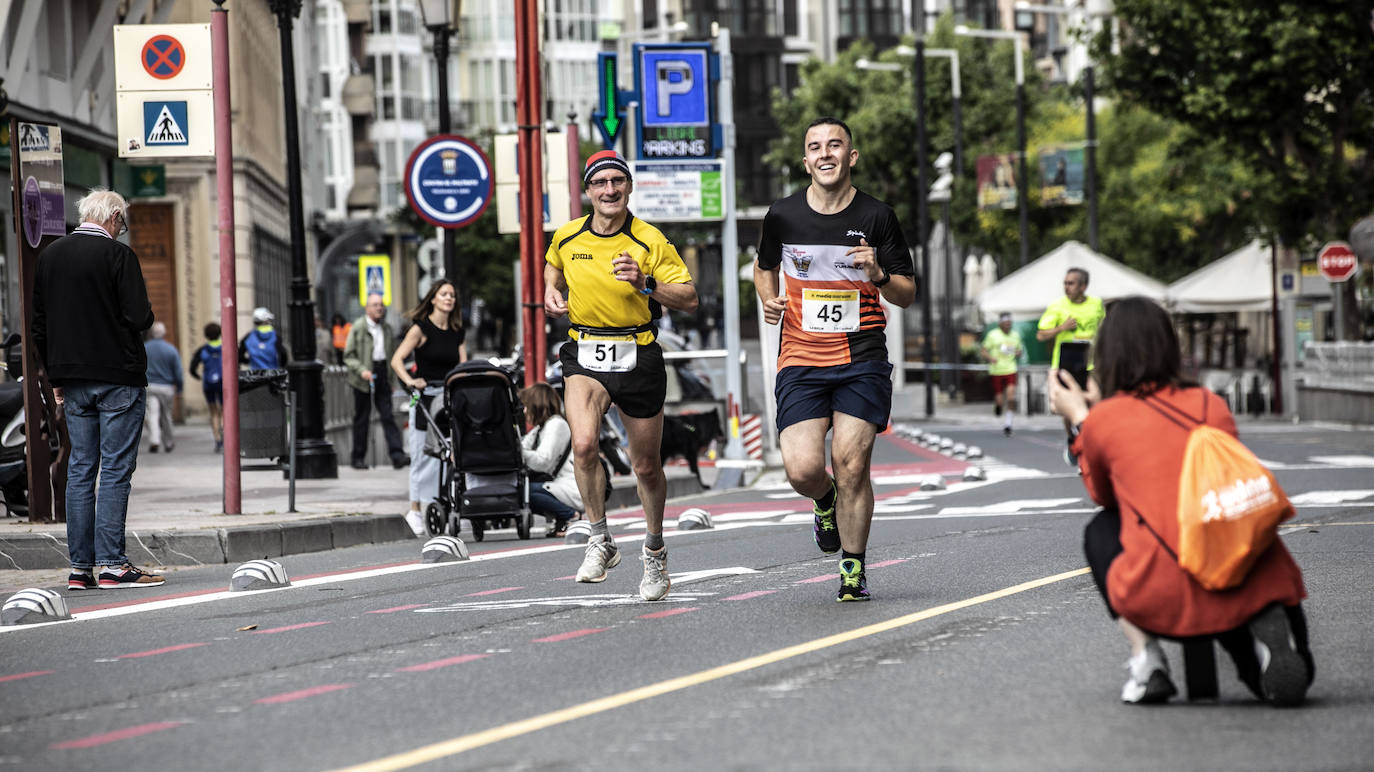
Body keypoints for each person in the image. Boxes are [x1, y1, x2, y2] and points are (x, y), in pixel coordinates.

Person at [1048, 297, 1313, 706]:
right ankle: (1265, 637)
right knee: (1269, 685)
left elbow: (1102, 495)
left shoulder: (1105, 419)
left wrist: (1082, 419)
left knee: (1101, 529)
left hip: (1165, 590)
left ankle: (1147, 660)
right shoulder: (1211, 405)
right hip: (1245, 565)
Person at [754, 117, 917, 602]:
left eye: (835, 145)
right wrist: (769, 299)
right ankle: (823, 501)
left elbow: (907, 294)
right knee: (803, 470)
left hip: (861, 356)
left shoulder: (877, 216)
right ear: (805, 161)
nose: (825, 154)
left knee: (851, 462)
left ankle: (853, 568)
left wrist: (879, 273)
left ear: (851, 156)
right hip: (801, 356)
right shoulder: (782, 216)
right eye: (815, 147)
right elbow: (764, 270)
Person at [544, 149, 698, 601]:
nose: (609, 190)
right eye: (600, 183)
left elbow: (689, 298)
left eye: (617, 181)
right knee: (585, 443)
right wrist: (553, 290)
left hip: (639, 353)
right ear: (588, 191)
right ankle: (600, 538)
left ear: (629, 187)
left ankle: (654, 551)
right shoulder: (568, 234)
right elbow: (554, 262)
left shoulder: (650, 240)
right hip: (585, 351)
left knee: (646, 466)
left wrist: (645, 284)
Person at [31, 188, 164, 589]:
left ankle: (79, 569)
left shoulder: (51, 257)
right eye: (121, 223)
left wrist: (55, 378)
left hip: (71, 380)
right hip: (118, 376)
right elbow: (140, 316)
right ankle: (112, 564)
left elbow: (39, 324)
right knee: (116, 470)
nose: (121, 230)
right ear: (114, 217)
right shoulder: (118, 256)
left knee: (80, 468)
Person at [391, 279, 467, 537]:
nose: (449, 298)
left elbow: (462, 366)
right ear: (433, 298)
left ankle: (445, 500)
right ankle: (414, 509)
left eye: (452, 295)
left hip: (449, 399)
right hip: (425, 399)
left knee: (450, 452)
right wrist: (411, 381)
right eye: (444, 294)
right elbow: (397, 360)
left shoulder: (457, 331)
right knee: (422, 453)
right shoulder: (421, 328)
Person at [1038, 267, 1105, 461]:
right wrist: (1062, 328)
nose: (1066, 287)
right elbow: (1041, 335)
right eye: (1065, 283)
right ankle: (1072, 438)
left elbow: (1103, 327)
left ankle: (1091, 442)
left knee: (1095, 404)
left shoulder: (1096, 304)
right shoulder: (1057, 306)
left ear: (1083, 286)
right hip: (1066, 364)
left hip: (1091, 363)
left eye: (1071, 283)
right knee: (1069, 407)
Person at [344, 292, 409, 472]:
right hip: (363, 377)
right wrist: (362, 370)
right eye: (375, 305)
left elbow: (391, 356)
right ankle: (358, 457)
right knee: (362, 418)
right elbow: (348, 355)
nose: (379, 308)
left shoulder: (386, 329)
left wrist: (391, 379)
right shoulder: (358, 327)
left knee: (388, 415)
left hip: (382, 374)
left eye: (381, 305)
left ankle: (397, 455)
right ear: (367, 308)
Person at [519, 382, 582, 538]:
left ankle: (570, 515)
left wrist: (519, 452)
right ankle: (563, 517)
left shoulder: (556, 425)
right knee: (520, 490)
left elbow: (543, 461)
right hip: (558, 484)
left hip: (571, 485)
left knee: (524, 492)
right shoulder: (541, 428)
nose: (524, 411)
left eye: (527, 406)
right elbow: (522, 447)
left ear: (537, 405)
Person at [981, 312, 1023, 436]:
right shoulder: (992, 335)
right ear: (1000, 324)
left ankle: (1008, 424)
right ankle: (998, 407)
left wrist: (1018, 353)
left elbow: (1019, 350)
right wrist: (990, 358)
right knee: (1000, 400)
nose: (1007, 326)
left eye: (1009, 323)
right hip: (997, 370)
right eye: (1005, 323)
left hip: (1010, 369)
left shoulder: (1015, 335)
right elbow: (983, 351)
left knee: (1011, 397)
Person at [143, 322, 182, 453]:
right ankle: (169, 442)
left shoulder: (145, 348)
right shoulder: (171, 349)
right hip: (166, 387)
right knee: (166, 416)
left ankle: (155, 440)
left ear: (151, 334)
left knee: (152, 415)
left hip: (150, 386)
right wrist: (180, 387)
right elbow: (178, 371)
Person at [189, 322, 225, 452]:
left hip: (208, 384)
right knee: (224, 411)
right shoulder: (225, 347)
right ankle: (225, 434)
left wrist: (198, 376)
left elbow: (192, 368)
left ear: (206, 335)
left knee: (213, 412)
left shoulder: (202, 350)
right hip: (223, 382)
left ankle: (217, 439)